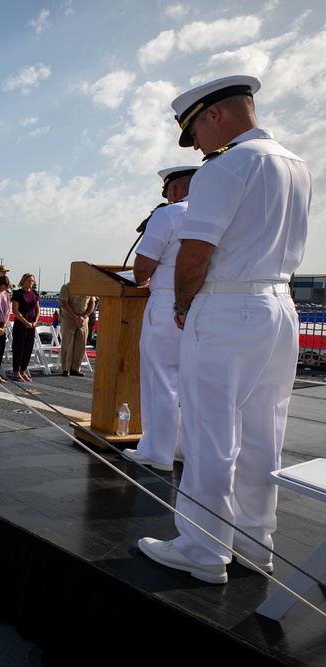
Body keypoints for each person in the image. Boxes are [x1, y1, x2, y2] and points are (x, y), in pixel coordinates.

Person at [138, 75, 311, 585]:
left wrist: (185, 307)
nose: (197, 146)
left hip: (228, 308)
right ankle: (258, 544)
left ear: (214, 114)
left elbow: (197, 252)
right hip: (280, 308)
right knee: (264, 432)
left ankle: (203, 548)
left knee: (210, 431)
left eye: (194, 132)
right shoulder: (297, 165)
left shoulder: (226, 166)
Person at [122, 165, 198, 472]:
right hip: (202, 303)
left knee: (160, 379)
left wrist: (142, 277)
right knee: (191, 383)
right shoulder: (216, 213)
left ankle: (157, 451)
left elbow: (141, 271)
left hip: (167, 300)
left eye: (166, 191)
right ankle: (184, 448)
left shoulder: (168, 215)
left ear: (175, 190)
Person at [57, 282, 95, 377]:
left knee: (81, 344)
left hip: (83, 319)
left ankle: (75, 368)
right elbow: (64, 304)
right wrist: (75, 317)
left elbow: (91, 303)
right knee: (67, 343)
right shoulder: (66, 287)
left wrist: (84, 316)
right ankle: (66, 368)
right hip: (69, 318)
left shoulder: (89, 287)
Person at [10, 273, 39, 382]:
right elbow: (15, 311)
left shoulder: (34, 293)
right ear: (23, 281)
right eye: (29, 281)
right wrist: (25, 322)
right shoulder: (18, 293)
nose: (31, 283)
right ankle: (16, 372)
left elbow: (37, 309)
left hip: (32, 323)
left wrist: (35, 321)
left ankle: (23, 370)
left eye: (32, 281)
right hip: (21, 323)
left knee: (28, 347)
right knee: (19, 348)